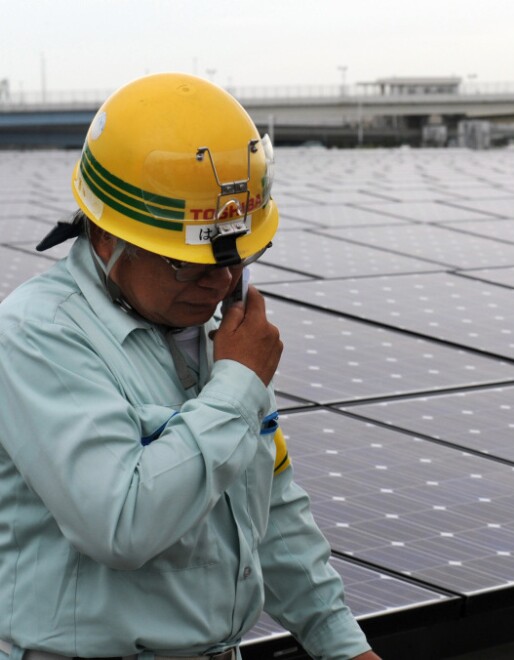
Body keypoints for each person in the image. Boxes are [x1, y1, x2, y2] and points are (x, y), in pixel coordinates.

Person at [0, 73, 380, 660]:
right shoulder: (38, 335)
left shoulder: (213, 332)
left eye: (238, 259)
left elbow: (270, 511)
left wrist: (343, 646)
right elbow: (121, 523)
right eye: (188, 264)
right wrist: (237, 386)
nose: (223, 281)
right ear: (106, 237)